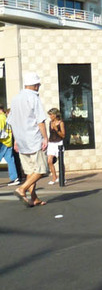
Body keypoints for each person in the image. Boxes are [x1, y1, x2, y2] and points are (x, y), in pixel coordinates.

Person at [7, 72, 48, 207]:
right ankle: (22, 189)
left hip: (21, 140)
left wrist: (16, 140)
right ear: (36, 85)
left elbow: (12, 121)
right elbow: (40, 120)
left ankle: (34, 197)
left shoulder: (15, 99)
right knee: (41, 170)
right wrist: (45, 138)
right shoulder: (33, 98)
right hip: (34, 138)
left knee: (30, 171)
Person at [0, 104, 20, 186]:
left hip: (2, 142)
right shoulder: (6, 117)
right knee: (10, 160)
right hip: (8, 141)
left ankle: (14, 178)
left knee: (10, 160)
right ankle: (14, 178)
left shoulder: (1, 118)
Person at [46, 107, 65, 185]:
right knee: (49, 161)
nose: (50, 116)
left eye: (51, 115)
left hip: (58, 142)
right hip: (51, 143)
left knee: (60, 161)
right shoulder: (50, 122)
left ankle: (62, 177)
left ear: (55, 115)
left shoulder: (61, 123)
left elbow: (63, 135)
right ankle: (54, 177)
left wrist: (56, 129)